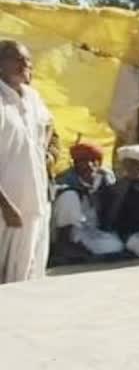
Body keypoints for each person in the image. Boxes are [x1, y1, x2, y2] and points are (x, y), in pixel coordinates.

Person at [0, 40, 53, 283]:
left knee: (26, 274)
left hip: (34, 202)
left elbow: (49, 124)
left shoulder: (32, 97)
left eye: (28, 59)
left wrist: (46, 149)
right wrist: (6, 205)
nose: (26, 64)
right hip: (7, 207)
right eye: (18, 59)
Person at [52, 143, 123, 261]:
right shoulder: (65, 179)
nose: (87, 165)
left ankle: (81, 251)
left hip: (90, 229)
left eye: (91, 161)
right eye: (80, 161)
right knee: (69, 195)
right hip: (68, 228)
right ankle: (63, 245)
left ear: (98, 163)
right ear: (74, 164)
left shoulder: (106, 177)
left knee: (115, 246)